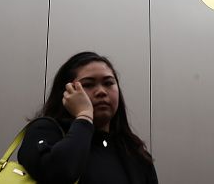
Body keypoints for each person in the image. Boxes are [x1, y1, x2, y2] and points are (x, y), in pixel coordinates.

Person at [18, 52, 158, 184]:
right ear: (67, 93)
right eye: (88, 84)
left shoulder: (134, 153)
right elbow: (60, 173)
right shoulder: (45, 131)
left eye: (108, 83)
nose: (101, 91)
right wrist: (84, 116)